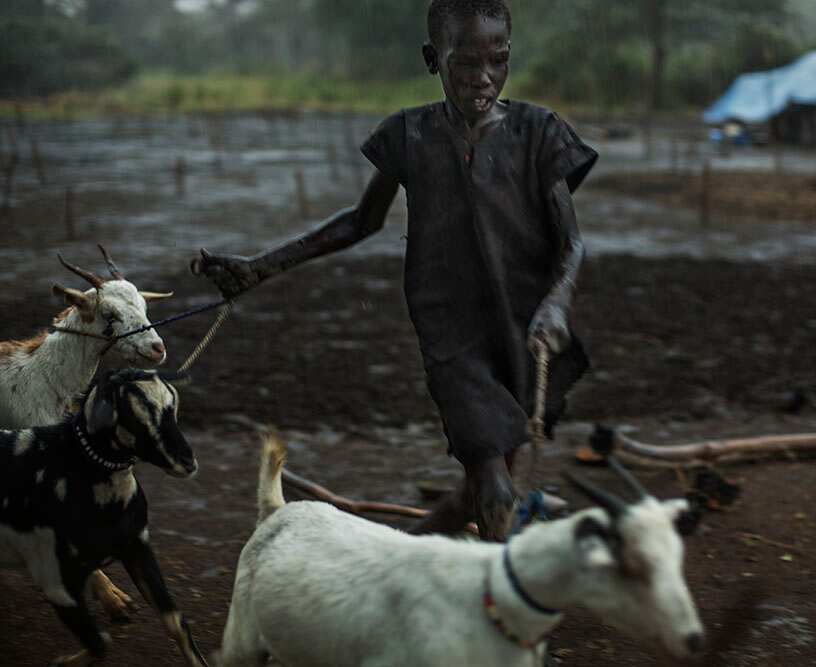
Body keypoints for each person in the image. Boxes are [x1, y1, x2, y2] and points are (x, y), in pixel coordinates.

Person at [194, 0, 597, 540]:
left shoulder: (539, 132)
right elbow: (360, 222)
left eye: (497, 61)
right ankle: (504, 613)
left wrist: (557, 302)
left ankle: (407, 557)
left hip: (524, 326)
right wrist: (260, 268)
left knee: (488, 476)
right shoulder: (408, 136)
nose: (483, 79)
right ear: (434, 59)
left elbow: (572, 242)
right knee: (494, 482)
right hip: (450, 332)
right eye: (464, 65)